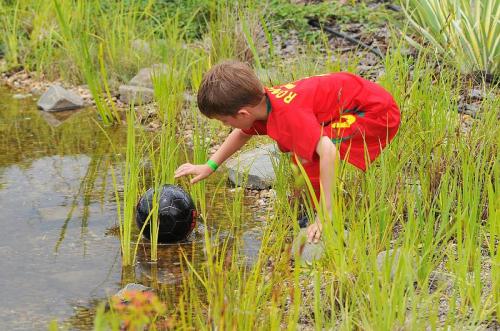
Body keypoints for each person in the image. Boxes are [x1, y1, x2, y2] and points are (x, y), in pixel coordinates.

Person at [174, 60, 400, 243]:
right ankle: (315, 211)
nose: (226, 126)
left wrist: (326, 214)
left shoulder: (289, 116)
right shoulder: (262, 104)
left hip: (375, 113)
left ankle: (327, 217)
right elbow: (242, 133)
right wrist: (210, 166)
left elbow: (329, 152)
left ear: (243, 113)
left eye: (224, 121)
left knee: (310, 153)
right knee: (303, 153)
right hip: (356, 101)